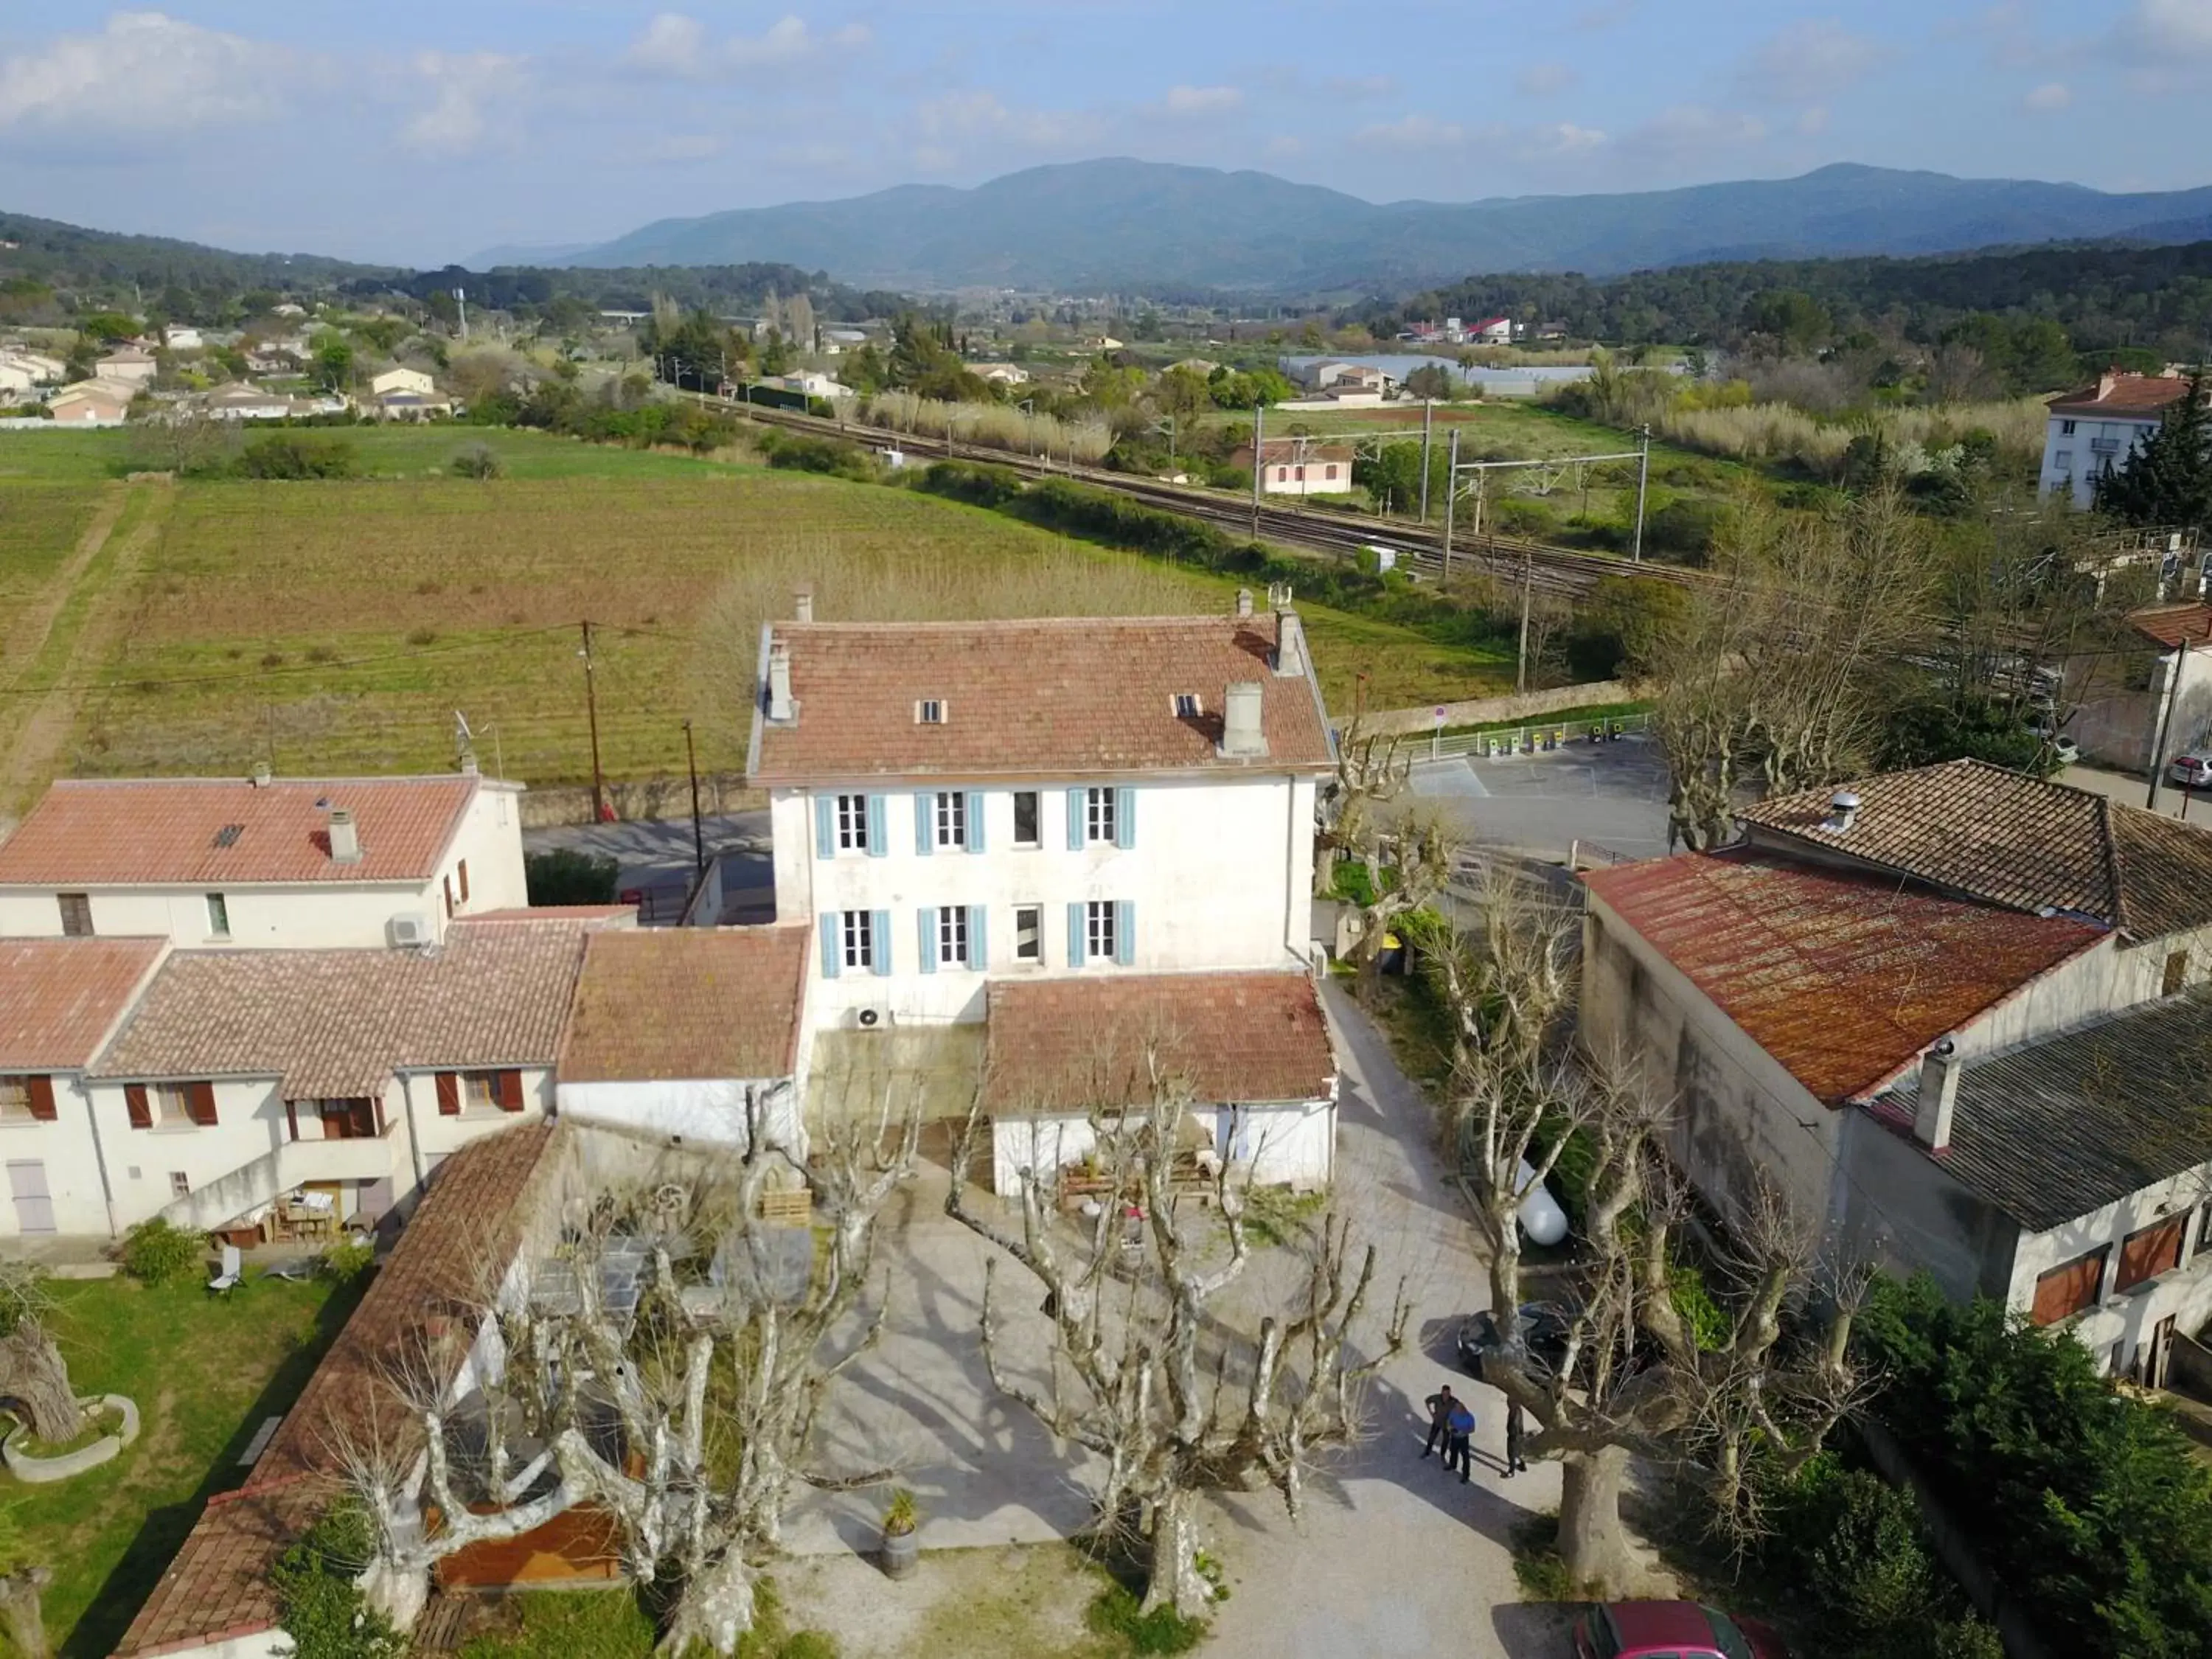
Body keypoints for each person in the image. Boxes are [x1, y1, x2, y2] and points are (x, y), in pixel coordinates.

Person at [1420, 1383, 1458, 1460]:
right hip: (1437, 1421)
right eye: (1444, 1394)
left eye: (1447, 1394)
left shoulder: (1453, 1401)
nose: (1445, 1396)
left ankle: (1442, 1455)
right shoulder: (1437, 1398)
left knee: (1446, 1440)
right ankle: (1427, 1452)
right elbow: (1427, 1401)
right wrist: (1431, 1413)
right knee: (1432, 1437)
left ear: (1450, 1393)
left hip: (1447, 1424)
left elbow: (1460, 1409)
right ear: (1442, 1392)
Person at [1446, 1402, 1477, 1483]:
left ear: (1463, 1408)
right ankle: (1452, 1465)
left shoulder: (1469, 1417)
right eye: (1456, 1408)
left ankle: (1466, 1475)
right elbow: (1449, 1420)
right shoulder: (1453, 1412)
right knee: (1453, 1451)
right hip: (1454, 1436)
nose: (1457, 1410)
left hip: (1463, 1438)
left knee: (1465, 1457)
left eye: (1458, 1408)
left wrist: (1464, 1432)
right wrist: (1449, 1427)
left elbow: (1472, 1429)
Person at [1505, 1399, 1528, 1478]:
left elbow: (1513, 1426)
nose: (1507, 1403)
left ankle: (1511, 1471)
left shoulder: (1514, 1412)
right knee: (1520, 1451)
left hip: (1514, 1436)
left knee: (1511, 1453)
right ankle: (1523, 1465)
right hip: (1519, 1435)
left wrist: (1511, 1433)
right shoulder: (1519, 1409)